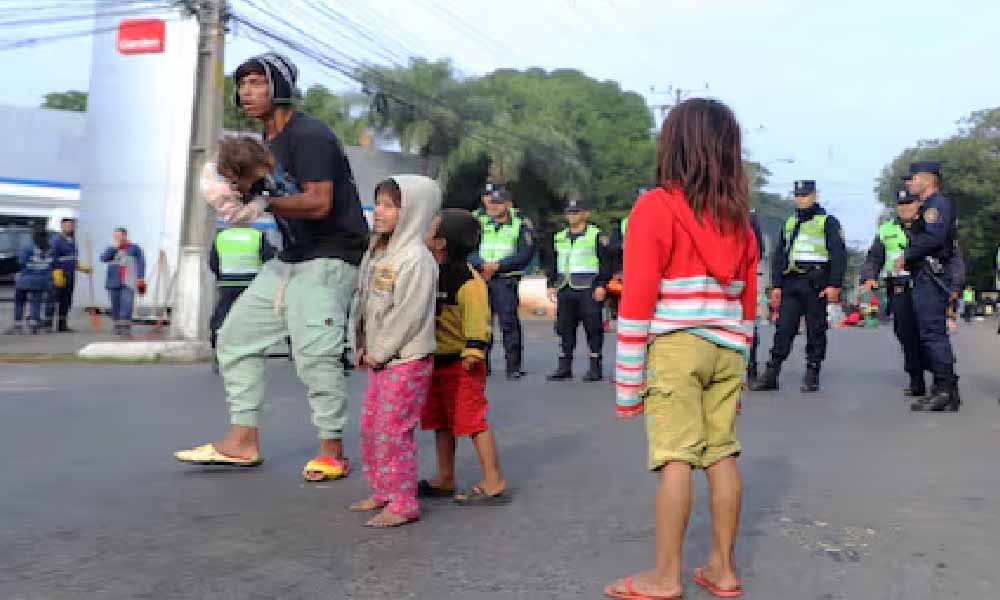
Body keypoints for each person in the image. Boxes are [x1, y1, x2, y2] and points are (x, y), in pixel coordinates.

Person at [175, 54, 369, 479]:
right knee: (234, 337)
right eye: (242, 83)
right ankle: (242, 441)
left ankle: (331, 449)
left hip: (333, 254)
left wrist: (263, 202)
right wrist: (230, 192)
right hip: (292, 257)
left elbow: (319, 202)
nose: (246, 91)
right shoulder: (264, 144)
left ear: (279, 85)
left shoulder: (309, 135)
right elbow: (248, 187)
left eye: (256, 82)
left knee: (315, 353)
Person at [606, 98, 757, 600]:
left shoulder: (655, 206)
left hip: (675, 347)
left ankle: (665, 577)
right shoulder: (740, 219)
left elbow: (637, 301)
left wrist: (628, 385)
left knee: (675, 458)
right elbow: (750, 305)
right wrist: (742, 368)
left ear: (674, 145)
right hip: (727, 349)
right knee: (721, 455)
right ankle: (722, 568)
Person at [349, 176, 439, 528]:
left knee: (392, 429)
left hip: (406, 359)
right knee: (371, 426)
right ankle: (383, 489)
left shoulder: (416, 259)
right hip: (379, 358)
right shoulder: (379, 253)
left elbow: (409, 315)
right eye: (378, 204)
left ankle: (403, 502)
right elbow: (362, 301)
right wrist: (359, 345)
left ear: (413, 211)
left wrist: (381, 351)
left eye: (389, 205)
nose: (379, 212)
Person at [419, 208, 508, 505]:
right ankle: (445, 476)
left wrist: (473, 350)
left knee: (471, 420)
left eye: (431, 228)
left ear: (441, 242)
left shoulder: (468, 280)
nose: (425, 232)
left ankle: (493, 479)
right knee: (440, 421)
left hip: (461, 362)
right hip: (435, 359)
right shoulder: (429, 270)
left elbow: (478, 319)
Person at [752, 180, 846, 393]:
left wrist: (834, 285)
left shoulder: (827, 222)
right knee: (783, 329)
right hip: (792, 281)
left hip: (816, 282)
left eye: (805, 195)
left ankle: (812, 372)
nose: (800, 199)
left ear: (815, 196)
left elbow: (839, 255)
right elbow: (780, 255)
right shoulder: (790, 222)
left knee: (816, 330)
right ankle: (772, 372)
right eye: (797, 195)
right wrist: (776, 285)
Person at [206, 137, 280, 373]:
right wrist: (263, 201)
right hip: (250, 283)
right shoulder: (220, 193)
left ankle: (221, 355)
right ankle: (241, 355)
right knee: (249, 322)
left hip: (227, 283)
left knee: (222, 319)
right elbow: (269, 257)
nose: (257, 183)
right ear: (234, 176)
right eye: (254, 180)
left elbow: (213, 262)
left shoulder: (222, 237)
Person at [898, 161, 961, 412]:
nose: (909, 183)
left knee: (933, 333)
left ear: (928, 179)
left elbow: (933, 238)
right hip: (924, 274)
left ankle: (946, 389)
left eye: (912, 179)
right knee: (928, 333)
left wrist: (908, 255)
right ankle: (942, 387)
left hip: (933, 275)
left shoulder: (937, 205)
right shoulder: (928, 206)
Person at [469, 183, 535, 379]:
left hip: (505, 279)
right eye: (491, 202)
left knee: (509, 323)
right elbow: (467, 247)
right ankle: (482, 364)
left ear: (507, 203)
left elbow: (525, 253)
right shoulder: (476, 221)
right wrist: (481, 264)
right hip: (480, 277)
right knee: (481, 322)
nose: (493, 206)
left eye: (498, 203)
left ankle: (513, 366)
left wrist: (498, 266)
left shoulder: (520, 223)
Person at [546, 196, 613, 382]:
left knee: (593, 328)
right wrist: (551, 284)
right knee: (564, 328)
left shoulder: (596, 235)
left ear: (586, 214)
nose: (572, 215)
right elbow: (552, 262)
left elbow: (606, 263)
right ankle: (564, 366)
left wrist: (601, 285)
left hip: (589, 288)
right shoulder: (559, 237)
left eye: (576, 212)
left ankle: (595, 366)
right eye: (569, 212)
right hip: (565, 288)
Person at [5, 229, 55, 335]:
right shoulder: (50, 249)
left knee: (19, 301)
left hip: (25, 279)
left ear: (33, 237)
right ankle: (34, 324)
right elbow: (53, 264)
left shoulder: (27, 248)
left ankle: (17, 325)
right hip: (42, 280)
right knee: (36, 302)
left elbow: (21, 262)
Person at [100, 227, 146, 337]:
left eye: (118, 236)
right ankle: (117, 326)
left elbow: (141, 263)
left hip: (128, 281)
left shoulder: (134, 248)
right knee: (115, 304)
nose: (116, 238)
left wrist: (140, 277)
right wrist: (113, 248)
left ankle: (125, 327)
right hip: (113, 281)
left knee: (127, 304)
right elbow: (103, 258)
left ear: (125, 236)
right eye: (114, 236)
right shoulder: (110, 248)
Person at [47, 218, 88, 332]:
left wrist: (81, 267)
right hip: (58, 274)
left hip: (70, 275)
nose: (70, 227)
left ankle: (62, 325)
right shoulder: (56, 240)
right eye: (67, 225)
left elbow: (72, 259)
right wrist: (56, 272)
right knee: (53, 300)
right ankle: (47, 325)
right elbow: (52, 257)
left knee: (66, 301)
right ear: (62, 226)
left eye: (71, 225)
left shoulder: (73, 241)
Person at [746, 210, 766, 385]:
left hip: (742, 277)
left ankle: (750, 367)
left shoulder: (749, 217)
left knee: (748, 323)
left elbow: (759, 250)